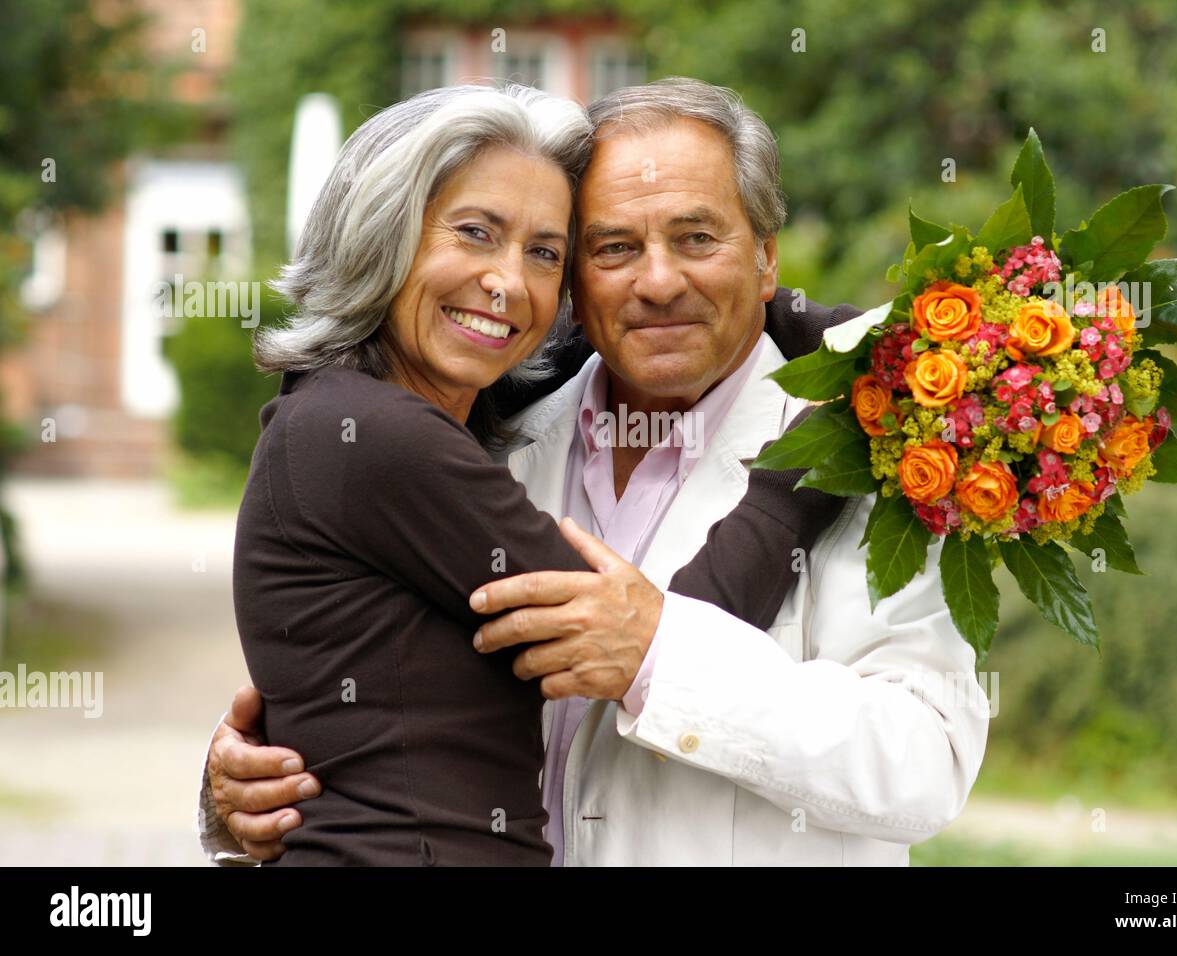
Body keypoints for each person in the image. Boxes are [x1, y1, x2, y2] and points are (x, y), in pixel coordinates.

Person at [202, 78, 990, 867]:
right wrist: (241, 793)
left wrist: (659, 654)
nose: (657, 282)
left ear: (766, 257)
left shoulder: (887, 455)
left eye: (696, 238)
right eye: (613, 247)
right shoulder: (487, 441)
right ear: (579, 280)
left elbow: (926, 762)